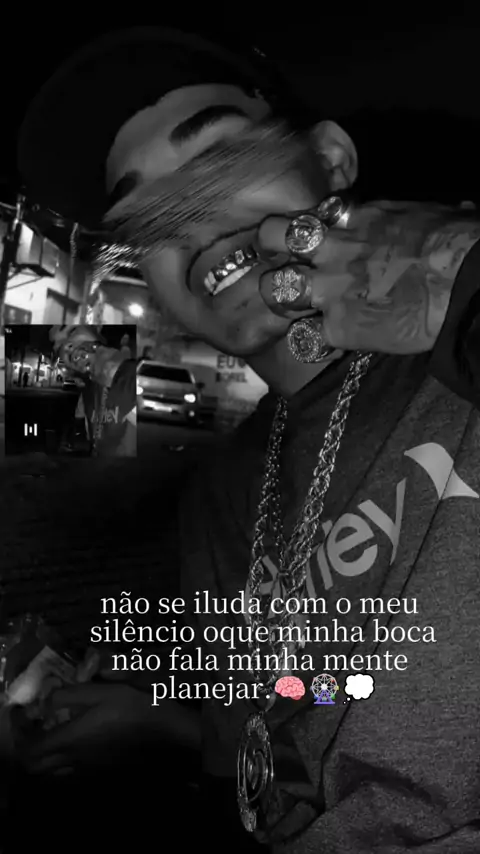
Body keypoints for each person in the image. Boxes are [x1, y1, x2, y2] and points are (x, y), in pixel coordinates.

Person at [16, 27, 480, 853]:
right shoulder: (226, 500)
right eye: (146, 217)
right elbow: (301, 733)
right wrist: (180, 726)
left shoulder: (458, 363)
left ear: (331, 161)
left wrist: (469, 293)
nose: (192, 222)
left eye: (219, 159)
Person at [49, 325, 137, 457]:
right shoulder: (90, 395)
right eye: (58, 347)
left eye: (72, 331)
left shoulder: (131, 377)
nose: (66, 347)